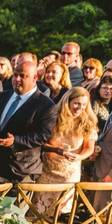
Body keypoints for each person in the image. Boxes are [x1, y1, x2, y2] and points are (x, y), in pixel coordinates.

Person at [0, 60, 56, 184]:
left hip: (21, 171)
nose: (17, 79)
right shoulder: (1, 97)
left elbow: (43, 135)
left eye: (23, 76)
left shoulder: (45, 105)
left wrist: (15, 141)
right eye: (15, 75)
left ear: (35, 78)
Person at [34, 87, 98, 215]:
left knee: (61, 212)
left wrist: (79, 157)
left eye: (84, 105)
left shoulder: (87, 122)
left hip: (69, 173)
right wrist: (57, 150)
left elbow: (89, 147)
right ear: (67, 102)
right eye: (76, 103)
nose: (80, 108)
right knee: (40, 212)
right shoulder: (54, 117)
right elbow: (41, 142)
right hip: (47, 171)